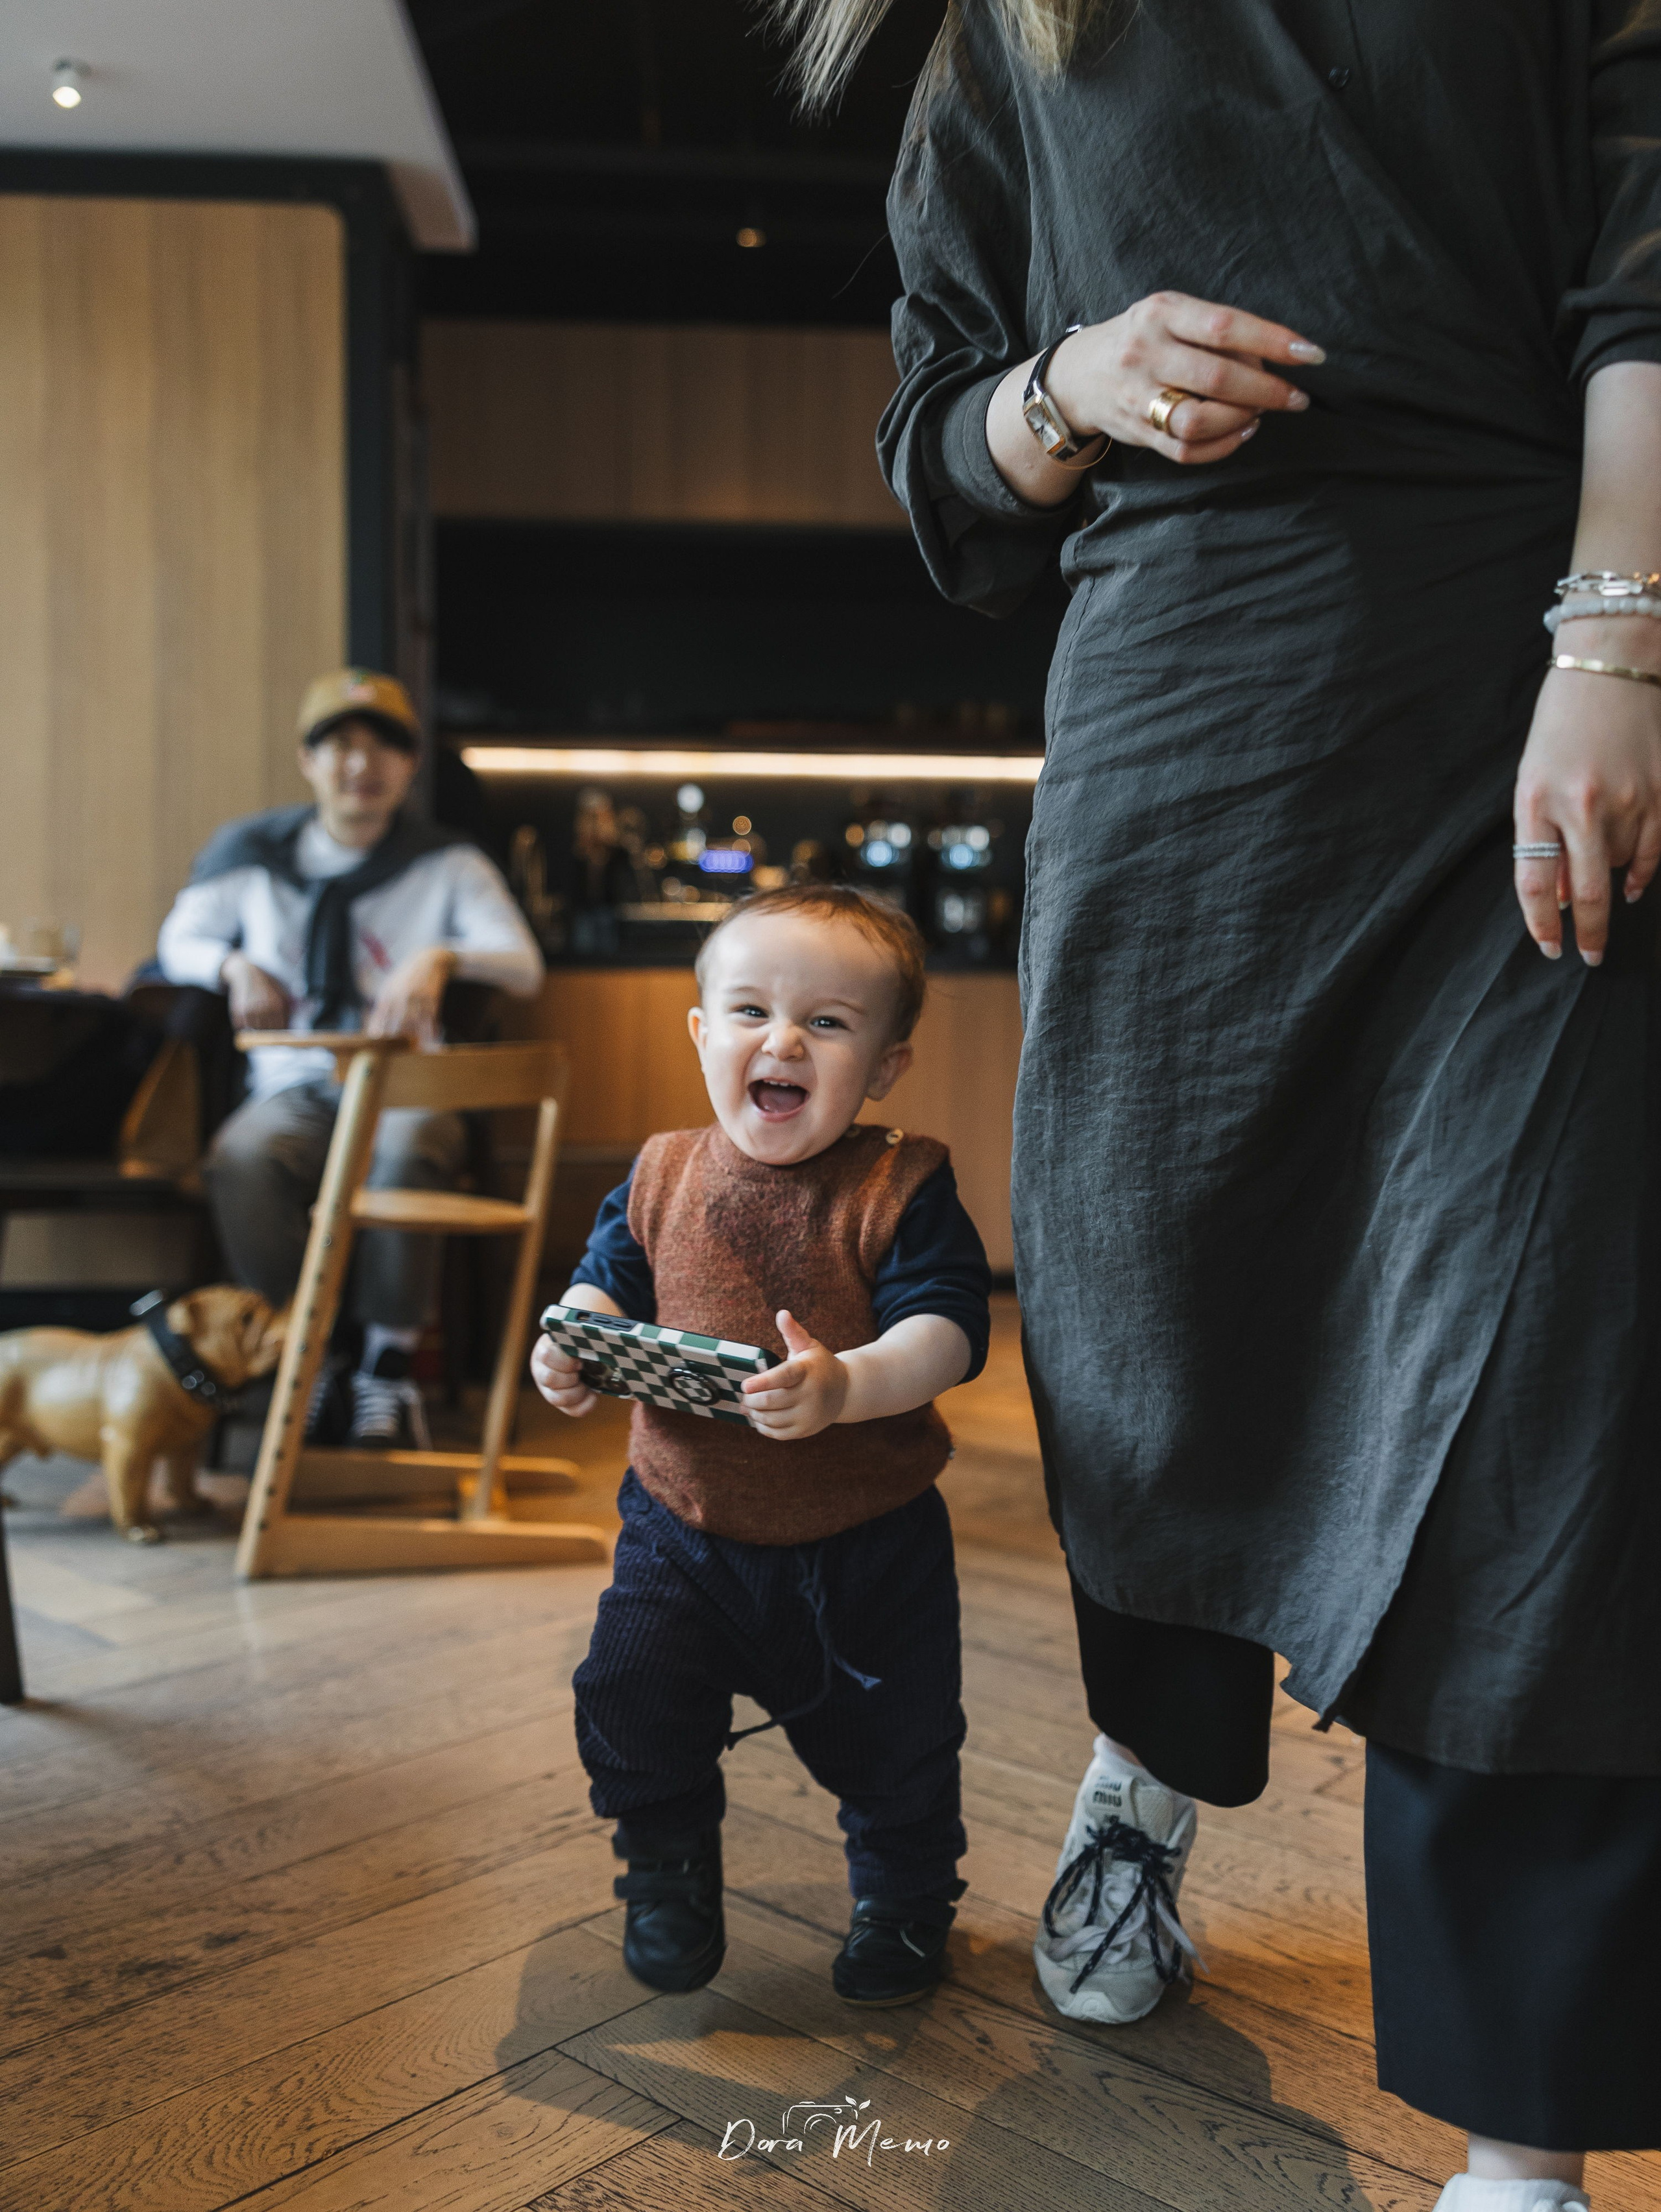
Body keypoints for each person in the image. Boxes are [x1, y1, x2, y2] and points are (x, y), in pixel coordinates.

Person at [776, 0, 1661, 2193]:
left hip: (1526, 689)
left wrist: (1621, 638)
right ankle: (1146, 1771)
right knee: (1150, 1322)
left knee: (1535, 1400)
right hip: (1182, 700)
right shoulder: (999, 31)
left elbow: (1648, 272)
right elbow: (936, 438)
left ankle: (1521, 2145)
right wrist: (1064, 389)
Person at [529, 884, 991, 2004]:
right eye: (749, 1012)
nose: (782, 1040)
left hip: (866, 1542)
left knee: (899, 1743)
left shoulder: (901, 1184)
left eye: (828, 1024)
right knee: (628, 1692)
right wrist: (573, 1343)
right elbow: (605, 1287)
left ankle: (903, 1900)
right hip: (681, 1521)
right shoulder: (660, 1172)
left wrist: (850, 1383)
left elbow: (950, 1329)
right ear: (702, 1034)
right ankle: (666, 1863)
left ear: (884, 1064)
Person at [157, 668, 544, 1445]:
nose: (362, 765)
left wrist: (440, 953)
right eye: (341, 746)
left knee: (404, 1151)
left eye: (385, 748)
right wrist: (232, 966)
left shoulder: (446, 863)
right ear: (308, 759)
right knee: (242, 1155)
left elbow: (522, 964)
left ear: (409, 766)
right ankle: (310, 1352)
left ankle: (386, 1367)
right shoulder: (253, 854)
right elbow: (179, 942)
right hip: (295, 1083)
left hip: (407, 1084)